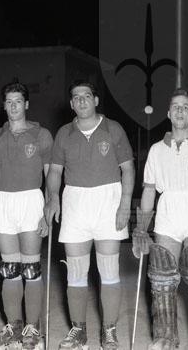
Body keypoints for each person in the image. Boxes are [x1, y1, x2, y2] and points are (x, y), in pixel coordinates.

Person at [45, 79, 135, 350]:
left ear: (96, 100)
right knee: (75, 271)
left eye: (86, 95)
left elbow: (128, 169)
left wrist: (125, 204)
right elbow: (55, 171)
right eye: (76, 97)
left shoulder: (114, 128)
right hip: (75, 202)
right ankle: (78, 331)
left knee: (109, 270)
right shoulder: (64, 133)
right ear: (71, 104)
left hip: (109, 201)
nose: (81, 100)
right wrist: (53, 198)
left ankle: (109, 330)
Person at [133, 88, 188, 350]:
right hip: (168, 212)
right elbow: (149, 190)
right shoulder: (156, 150)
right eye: (175, 106)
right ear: (169, 113)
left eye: (185, 107)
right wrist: (142, 229)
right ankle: (165, 337)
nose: (180, 111)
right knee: (162, 276)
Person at [0, 82, 53, 349]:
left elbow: (50, 176)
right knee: (10, 269)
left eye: (18, 101)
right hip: (3, 202)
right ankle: (13, 326)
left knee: (31, 268)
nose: (13, 106)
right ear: (4, 105)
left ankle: (32, 328)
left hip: (31, 201)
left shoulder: (41, 134)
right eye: (9, 102)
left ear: (26, 105)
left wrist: (47, 211)